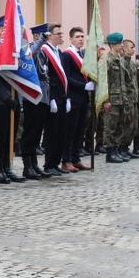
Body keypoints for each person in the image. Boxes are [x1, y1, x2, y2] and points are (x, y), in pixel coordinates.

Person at [0, 18, 26, 183]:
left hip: (13, 97)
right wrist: (6, 97)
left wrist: (16, 96)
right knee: (1, 136)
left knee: (11, 136)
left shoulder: (12, 49)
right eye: (5, 29)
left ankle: (7, 167)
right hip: (0, 99)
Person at [20, 23, 52, 178]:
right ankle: (27, 166)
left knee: (37, 131)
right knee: (30, 131)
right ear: (35, 36)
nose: (45, 38)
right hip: (32, 96)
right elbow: (27, 56)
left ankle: (34, 163)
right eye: (42, 35)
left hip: (43, 95)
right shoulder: (30, 48)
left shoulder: (44, 52)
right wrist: (39, 42)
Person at [39, 23, 69, 175]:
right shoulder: (45, 51)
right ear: (49, 36)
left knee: (61, 132)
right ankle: (49, 164)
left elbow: (65, 77)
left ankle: (56, 163)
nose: (61, 36)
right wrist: (50, 99)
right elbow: (46, 77)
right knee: (51, 133)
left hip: (62, 96)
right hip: (52, 97)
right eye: (58, 33)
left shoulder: (59, 52)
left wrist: (67, 97)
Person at [60, 26, 91, 171]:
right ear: (71, 39)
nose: (81, 39)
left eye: (82, 37)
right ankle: (66, 160)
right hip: (73, 96)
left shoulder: (82, 54)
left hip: (83, 97)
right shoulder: (67, 55)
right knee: (69, 130)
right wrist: (83, 86)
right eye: (78, 37)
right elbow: (66, 77)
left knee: (80, 129)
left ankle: (76, 157)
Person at [103, 33, 129, 164]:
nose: (122, 45)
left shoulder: (120, 60)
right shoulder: (107, 61)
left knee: (119, 125)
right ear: (112, 44)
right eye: (120, 43)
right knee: (110, 126)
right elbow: (104, 82)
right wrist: (106, 100)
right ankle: (109, 152)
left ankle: (116, 149)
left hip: (121, 98)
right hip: (112, 99)